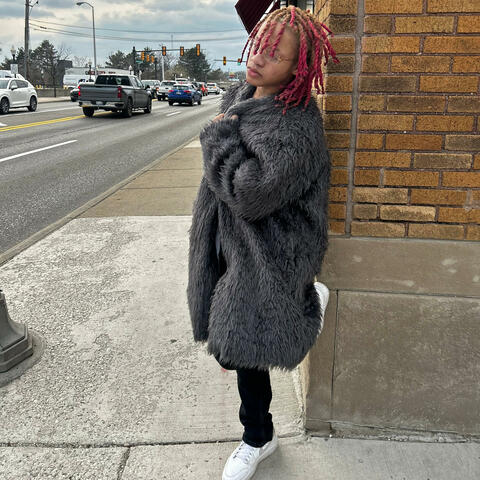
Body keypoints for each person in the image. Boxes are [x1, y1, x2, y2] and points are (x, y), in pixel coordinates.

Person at [186, 5, 338, 480]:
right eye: (259, 46)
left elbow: (249, 194)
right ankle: (301, 305)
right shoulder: (241, 93)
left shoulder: (295, 125)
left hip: (268, 252)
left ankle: (258, 437)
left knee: (241, 351)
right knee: (226, 344)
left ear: (297, 69)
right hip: (225, 241)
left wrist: (217, 137)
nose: (259, 58)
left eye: (276, 54)